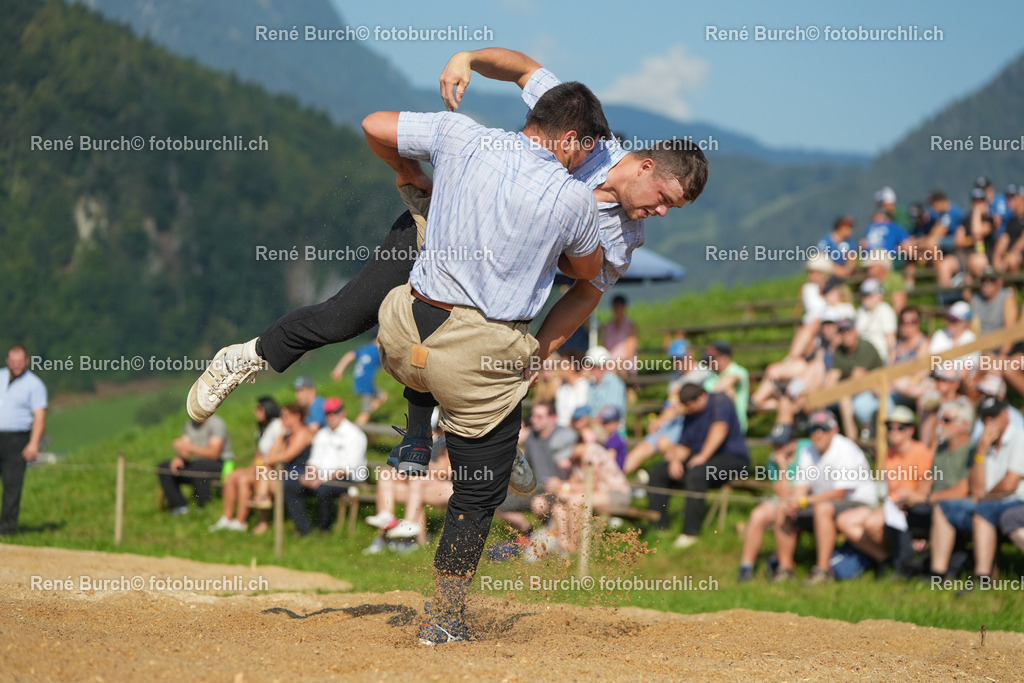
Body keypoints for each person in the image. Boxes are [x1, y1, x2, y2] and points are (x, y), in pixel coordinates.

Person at [185, 46, 707, 474]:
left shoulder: (626, 234)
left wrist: (539, 356)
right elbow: (525, 69)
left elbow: (585, 292)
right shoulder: (584, 130)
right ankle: (248, 355)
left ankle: (469, 448)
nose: (661, 213)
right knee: (343, 318)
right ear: (643, 166)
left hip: (496, 289)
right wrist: (469, 58)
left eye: (671, 210)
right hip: (439, 232)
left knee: (498, 347)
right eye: (664, 197)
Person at [365, 83, 617, 645]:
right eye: (587, 151)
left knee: (403, 344)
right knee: (480, 489)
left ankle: (412, 439)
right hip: (476, 355)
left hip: (400, 333)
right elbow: (585, 270)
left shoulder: (463, 136)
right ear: (570, 139)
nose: (587, 163)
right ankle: (445, 617)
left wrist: (413, 175)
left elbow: (374, 125)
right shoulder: (572, 197)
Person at [772, 411, 878, 585]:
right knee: (783, 509)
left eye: (823, 428)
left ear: (834, 431)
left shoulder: (845, 449)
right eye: (813, 428)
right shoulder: (808, 451)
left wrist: (804, 501)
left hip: (859, 503)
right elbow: (801, 487)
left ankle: (822, 571)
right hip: (826, 502)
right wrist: (792, 502)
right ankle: (785, 569)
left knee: (823, 509)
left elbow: (839, 493)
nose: (817, 433)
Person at [929, 397, 1024, 586]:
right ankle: (937, 575)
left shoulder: (1020, 438)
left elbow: (1010, 484)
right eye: (985, 417)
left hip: (1016, 500)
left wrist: (983, 498)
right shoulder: (983, 444)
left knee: (983, 511)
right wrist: (980, 453)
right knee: (943, 508)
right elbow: (977, 488)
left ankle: (982, 577)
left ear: (1006, 416)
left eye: (993, 416)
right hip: (992, 501)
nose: (989, 422)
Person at [646, 381, 750, 550]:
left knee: (697, 474)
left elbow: (720, 429)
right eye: (686, 405)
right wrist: (674, 460)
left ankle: (690, 533)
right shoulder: (691, 413)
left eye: (691, 404)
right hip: (703, 461)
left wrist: (703, 456)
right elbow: (684, 444)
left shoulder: (720, 401)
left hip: (734, 462)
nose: (689, 408)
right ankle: (659, 527)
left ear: (702, 396)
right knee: (658, 472)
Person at [835, 406, 932, 569]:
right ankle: (885, 559)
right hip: (888, 504)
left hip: (909, 506)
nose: (893, 431)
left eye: (899, 427)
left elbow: (925, 492)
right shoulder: (889, 453)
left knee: (873, 523)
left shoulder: (921, 452)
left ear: (910, 430)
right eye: (890, 427)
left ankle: (900, 562)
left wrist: (909, 497)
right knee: (844, 521)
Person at [284, 397, 368, 536]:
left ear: (343, 413)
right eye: (328, 413)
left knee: (324, 490)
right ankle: (304, 529)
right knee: (290, 485)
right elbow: (314, 460)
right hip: (323, 478)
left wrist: (322, 479)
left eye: (334, 412)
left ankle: (324, 529)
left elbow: (347, 468)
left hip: (348, 479)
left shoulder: (355, 435)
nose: (331, 416)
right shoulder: (322, 434)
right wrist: (310, 475)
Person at [737, 422, 804, 582]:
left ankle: (778, 562)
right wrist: (782, 467)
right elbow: (781, 493)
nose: (776, 447)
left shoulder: (807, 451)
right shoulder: (773, 460)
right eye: (774, 443)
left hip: (806, 499)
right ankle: (746, 567)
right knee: (757, 515)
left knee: (786, 511)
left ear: (793, 443)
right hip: (785, 499)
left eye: (781, 443)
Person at [210, 397, 281, 532]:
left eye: (259, 408)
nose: (256, 412)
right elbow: (258, 453)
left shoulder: (277, 426)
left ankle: (241, 521)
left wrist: (256, 469)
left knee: (243, 480)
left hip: (270, 471)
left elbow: (274, 453)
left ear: (268, 409)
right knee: (231, 476)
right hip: (260, 467)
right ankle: (226, 518)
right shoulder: (261, 429)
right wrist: (252, 468)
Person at [0, 345, 47, 536]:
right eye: (13, 361)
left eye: (19, 362)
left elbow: (39, 415)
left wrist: (34, 443)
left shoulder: (35, 385)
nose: (16, 365)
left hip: (17, 439)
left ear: (26, 361)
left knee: (12, 485)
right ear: (7, 360)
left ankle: (6, 530)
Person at [157, 415, 233, 516]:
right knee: (165, 467)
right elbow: (185, 448)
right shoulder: (189, 425)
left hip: (220, 464)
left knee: (199, 466)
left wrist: (189, 447)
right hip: (197, 463)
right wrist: (179, 458)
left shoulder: (216, 424)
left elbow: (214, 453)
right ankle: (179, 506)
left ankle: (204, 505)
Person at [330, 338, 387, 425]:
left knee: (382, 396)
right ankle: (356, 429)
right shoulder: (378, 350)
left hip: (359, 379)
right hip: (366, 382)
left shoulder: (366, 348)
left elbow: (349, 355)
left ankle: (368, 414)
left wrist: (338, 370)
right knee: (365, 414)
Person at [703, 341, 749, 433]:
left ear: (724, 357)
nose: (709, 361)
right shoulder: (709, 378)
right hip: (712, 424)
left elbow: (721, 388)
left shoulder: (739, 372)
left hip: (735, 426)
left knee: (728, 391)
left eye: (712, 358)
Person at [854, 278, 897, 363]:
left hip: (879, 357)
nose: (866, 298)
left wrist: (891, 362)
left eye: (869, 295)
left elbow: (891, 341)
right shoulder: (861, 311)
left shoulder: (885, 310)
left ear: (879, 295)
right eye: (863, 295)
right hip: (861, 356)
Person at [585, 346, 627, 422]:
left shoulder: (616, 383)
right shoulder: (591, 384)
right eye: (591, 365)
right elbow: (588, 409)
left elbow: (612, 413)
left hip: (611, 428)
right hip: (594, 426)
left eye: (598, 366)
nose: (594, 369)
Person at [601, 294, 638, 378]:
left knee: (617, 371)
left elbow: (629, 352)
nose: (617, 310)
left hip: (626, 365)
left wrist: (615, 364)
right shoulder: (607, 326)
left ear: (624, 308)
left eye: (619, 307)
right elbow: (603, 349)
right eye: (615, 307)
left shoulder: (630, 326)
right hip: (609, 364)